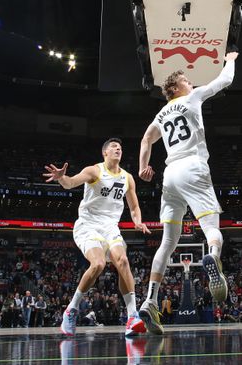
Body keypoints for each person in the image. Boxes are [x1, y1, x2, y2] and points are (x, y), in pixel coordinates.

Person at [137, 52, 238, 335]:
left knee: (168, 242)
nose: (191, 82)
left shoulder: (160, 113)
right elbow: (225, 80)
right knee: (211, 228)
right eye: (186, 80)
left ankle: (150, 300)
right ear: (176, 88)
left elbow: (146, 139)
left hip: (169, 176)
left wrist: (143, 167)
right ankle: (213, 256)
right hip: (193, 166)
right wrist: (230, 59)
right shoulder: (191, 99)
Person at [44, 138, 151, 337]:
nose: (118, 148)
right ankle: (71, 310)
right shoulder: (94, 170)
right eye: (113, 147)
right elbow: (70, 183)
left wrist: (138, 221)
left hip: (110, 227)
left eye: (119, 147)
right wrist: (61, 177)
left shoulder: (127, 177)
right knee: (99, 264)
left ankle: (132, 317)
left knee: (123, 261)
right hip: (88, 225)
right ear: (105, 153)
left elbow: (134, 206)